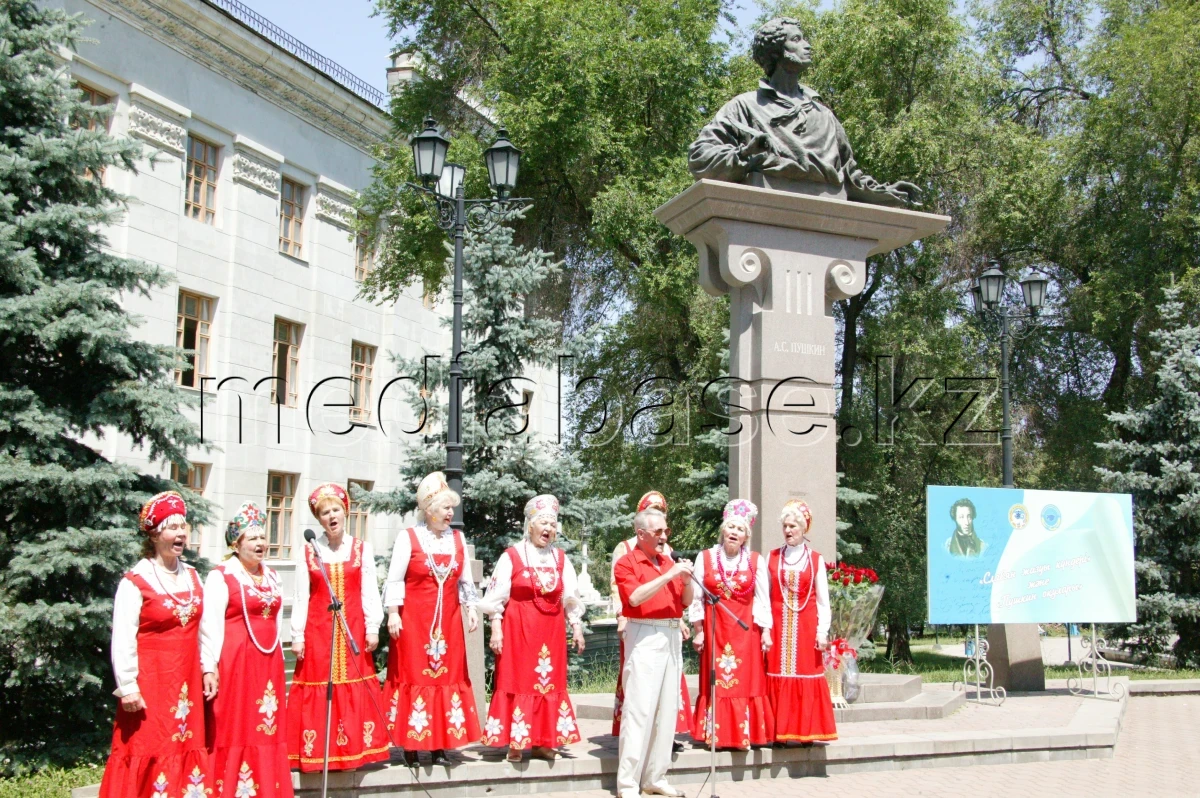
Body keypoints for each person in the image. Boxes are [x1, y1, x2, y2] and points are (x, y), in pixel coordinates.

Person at [687, 17, 919, 207]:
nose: (807, 45)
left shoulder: (824, 115)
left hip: (828, 204)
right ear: (776, 50)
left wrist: (885, 192)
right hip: (766, 202)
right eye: (796, 39)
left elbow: (849, 174)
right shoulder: (744, 107)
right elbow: (700, 158)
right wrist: (745, 153)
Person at [99, 491, 210, 798]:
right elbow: (123, 637)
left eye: (184, 527)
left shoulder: (192, 575)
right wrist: (128, 685)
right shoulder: (136, 581)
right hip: (151, 684)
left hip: (186, 683)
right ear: (156, 533)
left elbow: (204, 629)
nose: (182, 534)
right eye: (173, 527)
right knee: (150, 746)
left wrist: (208, 668)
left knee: (185, 745)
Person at [286, 483, 389, 772]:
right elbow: (300, 595)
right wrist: (297, 635)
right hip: (317, 631)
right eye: (324, 513)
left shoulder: (361, 549)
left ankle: (352, 752)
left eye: (335, 511)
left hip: (353, 628)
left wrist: (372, 627)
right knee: (320, 685)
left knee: (352, 682)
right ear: (318, 519)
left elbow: (369, 589)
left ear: (345, 513)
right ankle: (319, 754)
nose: (331, 517)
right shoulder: (310, 551)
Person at [382, 471, 481, 766]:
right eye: (445, 507)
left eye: (452, 507)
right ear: (429, 510)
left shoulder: (457, 539)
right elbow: (395, 579)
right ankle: (412, 746)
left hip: (447, 624)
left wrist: (472, 609)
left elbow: (465, 582)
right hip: (414, 622)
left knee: (446, 677)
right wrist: (392, 614)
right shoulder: (409, 538)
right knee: (414, 676)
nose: (451, 512)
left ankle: (439, 745)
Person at [478, 495, 585, 762]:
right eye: (543, 523)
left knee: (547, 682)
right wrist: (496, 628)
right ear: (530, 526)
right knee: (518, 679)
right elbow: (495, 598)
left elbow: (570, 597)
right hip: (518, 630)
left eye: (552, 524)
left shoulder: (560, 559)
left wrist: (577, 627)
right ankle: (517, 741)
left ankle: (542, 741)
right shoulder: (511, 556)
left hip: (551, 632)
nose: (548, 529)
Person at [201, 502, 292, 797]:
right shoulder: (222, 576)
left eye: (263, 537)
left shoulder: (273, 576)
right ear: (236, 543)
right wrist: (209, 666)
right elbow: (209, 625)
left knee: (265, 725)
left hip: (267, 662)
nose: (261, 543)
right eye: (252, 538)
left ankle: (268, 788)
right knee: (236, 724)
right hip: (235, 663)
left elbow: (277, 623)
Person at [613, 507, 695, 798]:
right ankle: (627, 783)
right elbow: (633, 597)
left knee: (666, 710)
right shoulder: (626, 562)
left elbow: (684, 602)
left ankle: (655, 777)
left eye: (666, 531)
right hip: (645, 632)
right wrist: (670, 572)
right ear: (641, 533)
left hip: (672, 633)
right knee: (639, 710)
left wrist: (685, 581)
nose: (664, 537)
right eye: (658, 532)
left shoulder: (667, 561)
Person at [688, 499, 774, 749]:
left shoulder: (755, 560)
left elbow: (762, 598)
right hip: (715, 629)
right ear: (723, 531)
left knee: (745, 680)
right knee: (718, 680)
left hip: (746, 631)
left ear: (746, 536)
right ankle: (716, 734)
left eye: (740, 530)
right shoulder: (705, 558)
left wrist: (766, 631)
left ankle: (743, 734)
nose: (734, 533)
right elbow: (696, 597)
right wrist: (699, 631)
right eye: (731, 527)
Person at [765, 500, 836, 744]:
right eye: (785, 526)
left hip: (806, 627)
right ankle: (778, 732)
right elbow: (764, 594)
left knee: (806, 673)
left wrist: (822, 631)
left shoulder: (815, 559)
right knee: (776, 672)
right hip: (778, 625)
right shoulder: (772, 557)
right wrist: (765, 628)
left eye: (793, 526)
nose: (788, 530)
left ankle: (806, 731)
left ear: (803, 528)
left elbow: (823, 601)